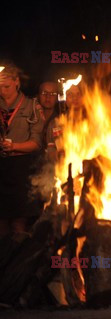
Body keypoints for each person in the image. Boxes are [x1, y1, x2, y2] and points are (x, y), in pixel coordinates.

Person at [0, 62, 44, 235]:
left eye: (6, 86)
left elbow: (36, 143)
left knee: (19, 225)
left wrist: (14, 146)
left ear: (16, 82)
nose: (2, 90)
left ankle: (20, 260)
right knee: (1, 224)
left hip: (21, 170)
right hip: (1, 169)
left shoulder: (32, 107)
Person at [38, 81, 59, 161]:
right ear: (38, 95)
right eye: (44, 93)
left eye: (53, 94)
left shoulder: (60, 121)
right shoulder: (31, 117)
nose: (48, 97)